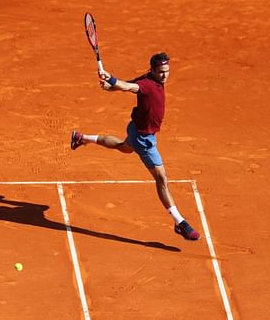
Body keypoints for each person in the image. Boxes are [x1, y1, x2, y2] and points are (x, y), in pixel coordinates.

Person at [71, 52, 200, 241]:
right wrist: (113, 79)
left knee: (124, 147)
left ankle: (83, 138)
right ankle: (179, 222)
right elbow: (130, 86)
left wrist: (111, 86)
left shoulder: (148, 78)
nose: (165, 75)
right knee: (161, 179)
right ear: (153, 70)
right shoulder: (148, 85)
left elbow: (129, 85)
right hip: (144, 139)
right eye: (162, 72)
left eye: (167, 71)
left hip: (135, 130)